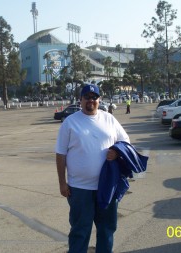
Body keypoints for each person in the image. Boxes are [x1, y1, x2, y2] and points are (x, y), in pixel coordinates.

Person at [55, 84, 130, 253]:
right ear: (80, 100)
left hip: (107, 187)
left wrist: (116, 153)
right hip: (79, 188)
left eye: (94, 97)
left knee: (106, 229)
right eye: (87, 97)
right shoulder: (70, 122)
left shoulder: (109, 119)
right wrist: (62, 183)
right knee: (80, 231)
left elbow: (125, 142)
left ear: (99, 100)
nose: (91, 100)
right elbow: (61, 154)